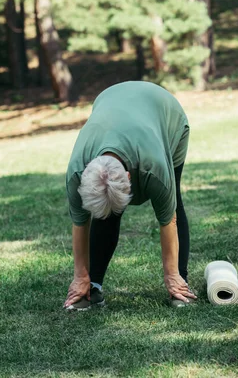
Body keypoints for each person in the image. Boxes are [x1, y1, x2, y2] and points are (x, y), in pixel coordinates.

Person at [63, 81, 197, 310]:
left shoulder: (154, 168)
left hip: (165, 111)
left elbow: (169, 220)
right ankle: (92, 285)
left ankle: (179, 283)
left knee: (173, 204)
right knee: (107, 214)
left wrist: (171, 275)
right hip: (110, 97)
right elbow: (80, 222)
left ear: (128, 177)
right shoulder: (77, 172)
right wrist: (80, 276)